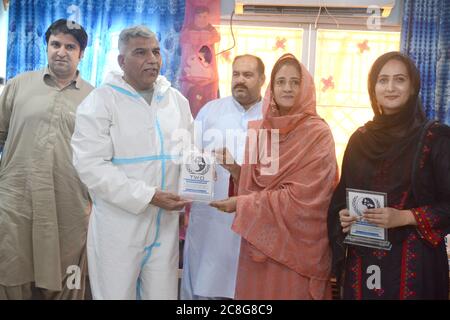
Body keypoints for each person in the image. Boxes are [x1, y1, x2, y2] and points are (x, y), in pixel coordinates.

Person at [71, 25, 192, 300]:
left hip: (165, 226)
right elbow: (91, 167)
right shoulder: (101, 101)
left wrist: (204, 172)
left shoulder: (177, 101)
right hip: (119, 228)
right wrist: (148, 196)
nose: (152, 59)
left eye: (156, 51)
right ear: (121, 61)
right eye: (141, 52)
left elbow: (189, 154)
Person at [210, 53, 338, 299]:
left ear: (306, 87)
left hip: (298, 250)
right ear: (272, 86)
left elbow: (308, 199)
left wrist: (241, 203)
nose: (287, 88)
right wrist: (236, 170)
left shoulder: (318, 133)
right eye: (281, 82)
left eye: (295, 82)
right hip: (259, 245)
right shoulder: (261, 131)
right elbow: (252, 186)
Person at [327, 51, 450, 299]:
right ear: (373, 88)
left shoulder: (436, 138)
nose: (390, 87)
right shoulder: (360, 139)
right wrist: (343, 217)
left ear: (413, 86)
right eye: (382, 80)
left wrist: (404, 216)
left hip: (416, 267)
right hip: (363, 262)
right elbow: (341, 199)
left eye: (400, 79)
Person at [0, 19, 93, 299]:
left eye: (70, 46)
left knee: (66, 277)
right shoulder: (19, 85)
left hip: (69, 207)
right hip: (16, 200)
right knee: (11, 270)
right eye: (55, 44)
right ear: (47, 47)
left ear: (81, 54)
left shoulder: (95, 99)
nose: (61, 51)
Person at [181, 54, 265, 300]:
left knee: (244, 289)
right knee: (202, 283)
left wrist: (237, 169)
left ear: (262, 79)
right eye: (236, 74)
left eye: (248, 75)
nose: (240, 80)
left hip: (250, 220)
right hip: (209, 217)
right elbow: (191, 156)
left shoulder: (272, 116)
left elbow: (271, 175)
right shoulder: (211, 111)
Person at [180, 5, 220, 118]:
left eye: (205, 17)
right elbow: (184, 39)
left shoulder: (211, 30)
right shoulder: (188, 30)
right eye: (199, 17)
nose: (202, 20)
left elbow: (216, 38)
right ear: (194, 17)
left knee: (206, 105)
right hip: (190, 75)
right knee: (190, 102)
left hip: (207, 75)